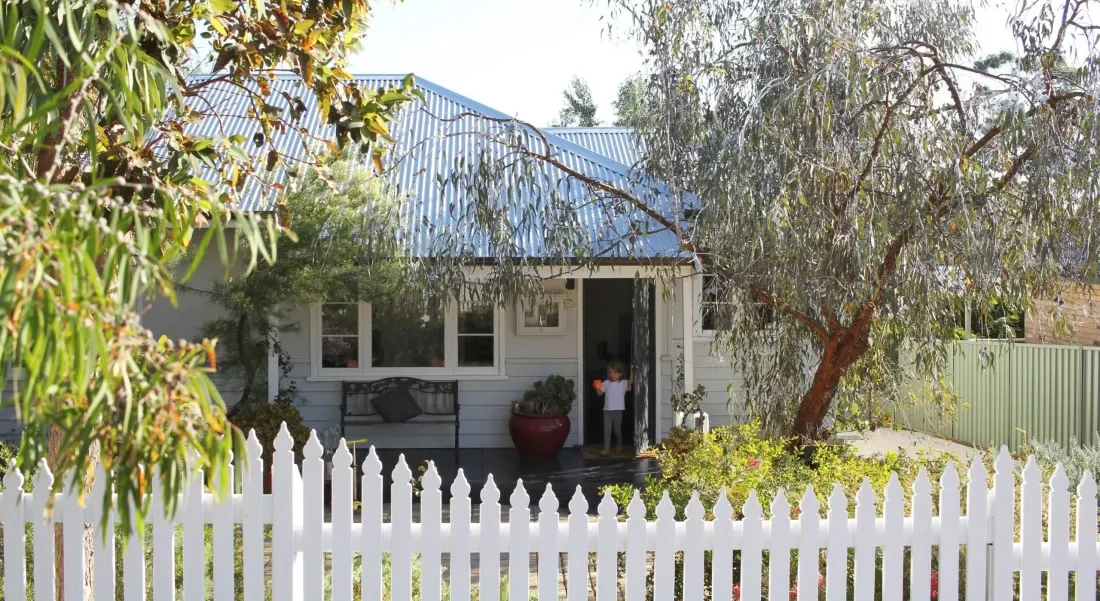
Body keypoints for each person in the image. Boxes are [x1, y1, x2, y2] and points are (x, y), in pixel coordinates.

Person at [595, 360, 631, 457]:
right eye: (611, 372)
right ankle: (606, 448)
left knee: (617, 430)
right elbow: (599, 393)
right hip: (607, 410)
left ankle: (620, 445)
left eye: (615, 373)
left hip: (618, 411)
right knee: (607, 430)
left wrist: (633, 369)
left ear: (621, 373)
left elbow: (631, 382)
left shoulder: (623, 383)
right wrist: (597, 387)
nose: (612, 375)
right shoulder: (606, 383)